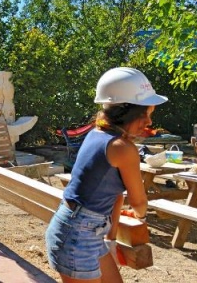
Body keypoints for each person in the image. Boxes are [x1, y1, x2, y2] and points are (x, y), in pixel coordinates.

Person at [45, 67, 167, 282]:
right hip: (78, 236)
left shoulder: (96, 133)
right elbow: (139, 202)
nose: (149, 122)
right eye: (146, 114)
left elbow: (116, 194)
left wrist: (110, 238)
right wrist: (141, 216)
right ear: (129, 112)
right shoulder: (123, 147)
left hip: (80, 229)